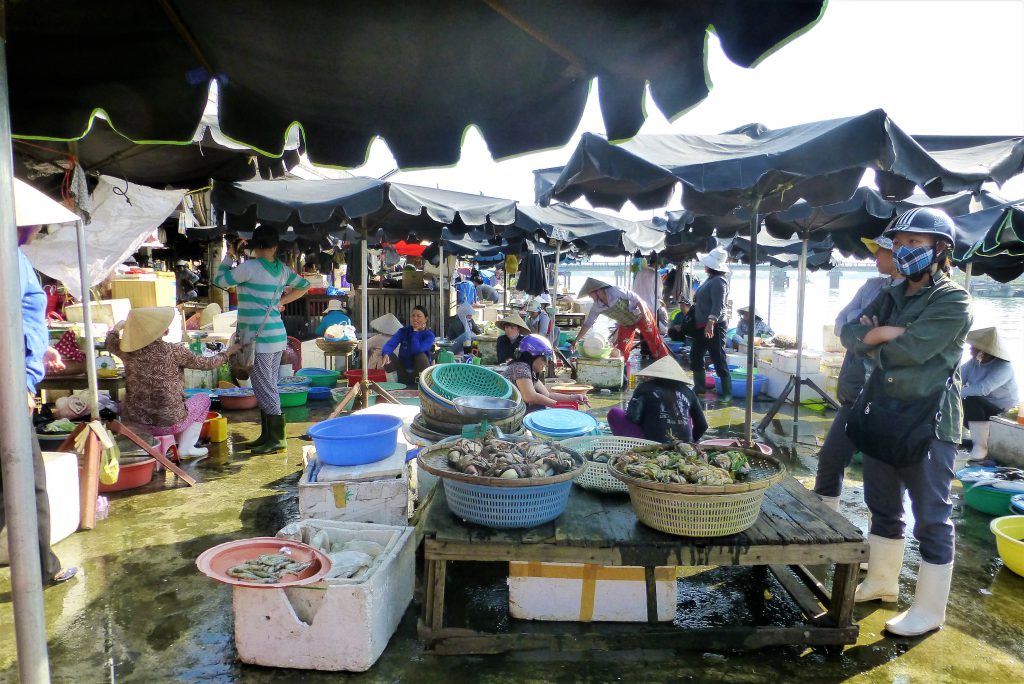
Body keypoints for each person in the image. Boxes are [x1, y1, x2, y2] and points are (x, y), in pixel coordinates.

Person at [842, 207, 971, 637]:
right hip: (883, 414)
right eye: (898, 244)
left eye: (914, 244)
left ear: (940, 248)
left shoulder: (953, 299)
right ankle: (881, 581)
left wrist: (877, 336)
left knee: (932, 516)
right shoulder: (891, 293)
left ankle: (931, 609)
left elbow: (911, 352)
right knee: (883, 505)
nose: (903, 252)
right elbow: (847, 332)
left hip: (929, 424)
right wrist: (878, 335)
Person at [1, 223, 77, 586]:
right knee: (28, 484)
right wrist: (20, 382)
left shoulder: (16, 256)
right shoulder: (7, 255)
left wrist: (38, 348)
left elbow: (19, 320)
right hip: (8, 386)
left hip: (16, 376)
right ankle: (43, 568)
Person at [814, 236, 902, 509]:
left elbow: (900, 345)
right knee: (830, 459)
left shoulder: (913, 295)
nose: (875, 256)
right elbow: (843, 324)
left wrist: (866, 333)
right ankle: (824, 527)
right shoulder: (872, 285)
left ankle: (883, 545)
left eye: (880, 251)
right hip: (855, 392)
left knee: (882, 485)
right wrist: (867, 331)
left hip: (889, 400)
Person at [213, 227, 310, 454]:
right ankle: (268, 434)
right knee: (267, 385)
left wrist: (230, 256)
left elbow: (219, 280)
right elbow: (304, 286)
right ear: (275, 247)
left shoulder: (249, 268)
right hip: (276, 335)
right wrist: (282, 300)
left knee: (264, 387)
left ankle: (277, 439)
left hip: (260, 339)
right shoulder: (283, 270)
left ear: (253, 246)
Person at [107, 308, 238, 457]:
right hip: (169, 423)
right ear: (163, 332)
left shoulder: (126, 351)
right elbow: (208, 363)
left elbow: (109, 341)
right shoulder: (174, 351)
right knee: (204, 399)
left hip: (135, 423)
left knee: (123, 401)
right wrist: (228, 352)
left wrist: (118, 327)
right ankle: (187, 447)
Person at [607, 356, 708, 443]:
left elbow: (633, 417)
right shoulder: (688, 392)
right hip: (683, 445)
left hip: (650, 444)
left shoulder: (644, 387)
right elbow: (703, 425)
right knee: (686, 414)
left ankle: (629, 447)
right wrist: (691, 442)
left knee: (615, 413)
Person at [571, 278, 670, 362]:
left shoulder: (616, 291)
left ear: (598, 291)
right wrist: (576, 340)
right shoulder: (596, 306)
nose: (590, 297)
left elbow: (637, 299)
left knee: (654, 341)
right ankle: (622, 371)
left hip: (640, 315)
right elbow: (587, 324)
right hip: (626, 323)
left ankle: (664, 363)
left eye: (590, 294)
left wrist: (646, 316)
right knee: (621, 349)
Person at [961, 327, 1019, 459]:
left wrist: (954, 392)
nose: (970, 348)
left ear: (985, 351)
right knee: (953, 400)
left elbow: (982, 389)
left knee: (971, 400)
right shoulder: (973, 363)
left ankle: (980, 447)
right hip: (981, 410)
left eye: (974, 346)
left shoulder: (1004, 367)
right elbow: (957, 378)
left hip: (1002, 413)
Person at [502, 335, 588, 412]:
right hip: (503, 412)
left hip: (511, 409)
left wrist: (573, 398)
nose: (546, 363)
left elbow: (548, 395)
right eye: (545, 359)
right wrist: (559, 405)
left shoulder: (529, 371)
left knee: (541, 406)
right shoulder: (521, 368)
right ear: (533, 356)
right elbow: (530, 397)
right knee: (539, 407)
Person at [689, 248, 731, 396]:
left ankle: (726, 393)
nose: (704, 265)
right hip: (702, 326)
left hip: (714, 326)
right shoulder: (710, 280)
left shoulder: (719, 282)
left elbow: (718, 305)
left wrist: (710, 323)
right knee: (695, 356)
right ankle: (699, 387)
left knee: (718, 357)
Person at [382, 305, 435, 386]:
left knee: (420, 356)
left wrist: (416, 332)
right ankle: (393, 387)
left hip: (419, 373)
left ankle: (424, 387)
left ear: (426, 319)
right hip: (403, 372)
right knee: (388, 356)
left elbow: (416, 350)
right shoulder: (403, 331)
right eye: (413, 316)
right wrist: (386, 352)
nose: (415, 318)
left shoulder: (429, 335)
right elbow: (391, 343)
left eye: (419, 316)